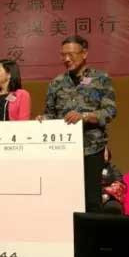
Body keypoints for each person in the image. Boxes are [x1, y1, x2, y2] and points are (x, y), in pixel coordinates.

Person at [39, 35, 117, 213]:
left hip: (91, 150)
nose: (66, 59)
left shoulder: (101, 79)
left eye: (71, 54)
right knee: (63, 198)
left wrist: (85, 116)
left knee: (92, 201)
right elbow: (50, 114)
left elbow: (110, 111)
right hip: (63, 150)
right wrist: (43, 119)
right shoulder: (56, 83)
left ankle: (93, 232)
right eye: (63, 55)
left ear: (84, 53)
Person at [101, 147, 126, 215]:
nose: (105, 153)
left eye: (106, 151)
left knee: (113, 207)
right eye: (103, 151)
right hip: (95, 197)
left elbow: (120, 185)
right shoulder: (90, 168)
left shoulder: (113, 168)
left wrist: (105, 191)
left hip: (110, 198)